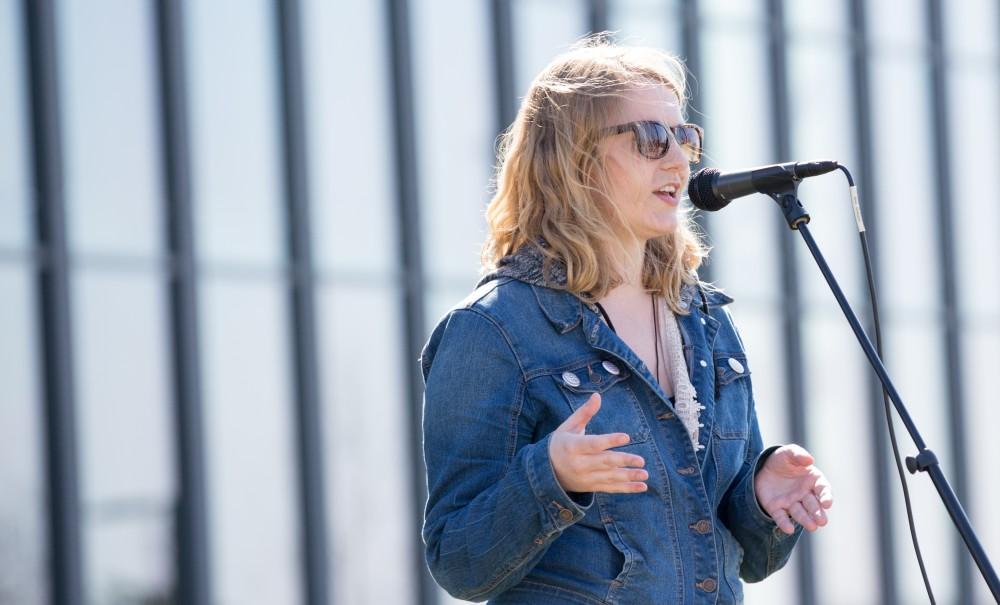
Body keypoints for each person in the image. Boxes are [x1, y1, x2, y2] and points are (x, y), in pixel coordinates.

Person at [420, 36, 833, 605]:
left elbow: (739, 554)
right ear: (573, 159)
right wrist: (549, 477)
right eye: (650, 138)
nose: (680, 159)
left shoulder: (706, 322)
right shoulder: (493, 330)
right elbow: (458, 562)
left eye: (685, 137)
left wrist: (762, 500)